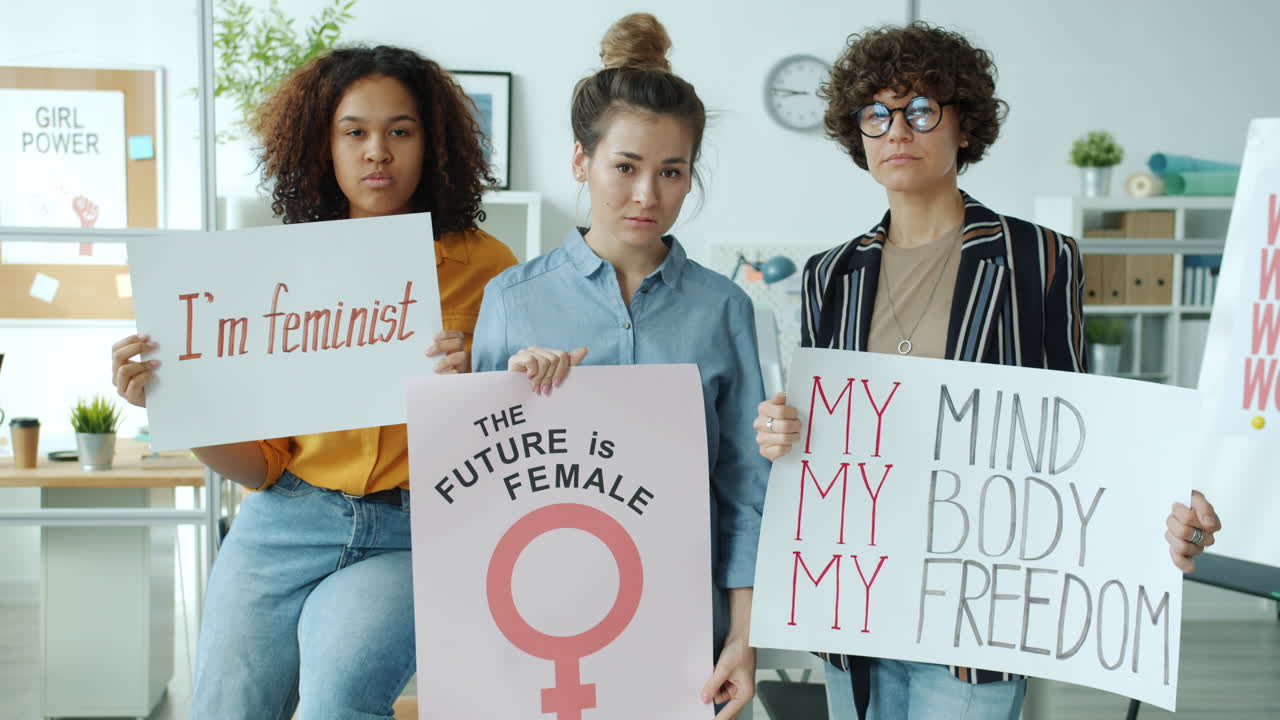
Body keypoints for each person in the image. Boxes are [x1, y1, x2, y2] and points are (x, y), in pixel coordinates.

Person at [750, 23, 1223, 720]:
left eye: (920, 110)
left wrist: (1166, 508)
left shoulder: (1037, 258)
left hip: (976, 612)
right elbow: (827, 436)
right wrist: (782, 431)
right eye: (876, 114)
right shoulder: (833, 274)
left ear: (963, 126)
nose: (897, 130)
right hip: (856, 600)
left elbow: (1078, 429)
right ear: (859, 136)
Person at [109, 45, 517, 720]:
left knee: (337, 697)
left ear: (433, 142)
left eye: (400, 131)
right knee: (226, 706)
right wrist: (175, 402)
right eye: (353, 131)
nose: (377, 151)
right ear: (323, 144)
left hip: (419, 528)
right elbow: (261, 467)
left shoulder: (490, 266)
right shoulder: (283, 270)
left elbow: (518, 430)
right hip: (286, 517)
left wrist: (475, 385)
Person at [469, 13, 767, 719]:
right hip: (541, 619)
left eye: (672, 172)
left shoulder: (725, 309)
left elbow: (745, 488)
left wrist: (745, 638)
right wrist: (516, 396)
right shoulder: (513, 301)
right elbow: (474, 486)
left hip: (687, 626)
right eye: (625, 167)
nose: (647, 196)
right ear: (582, 160)